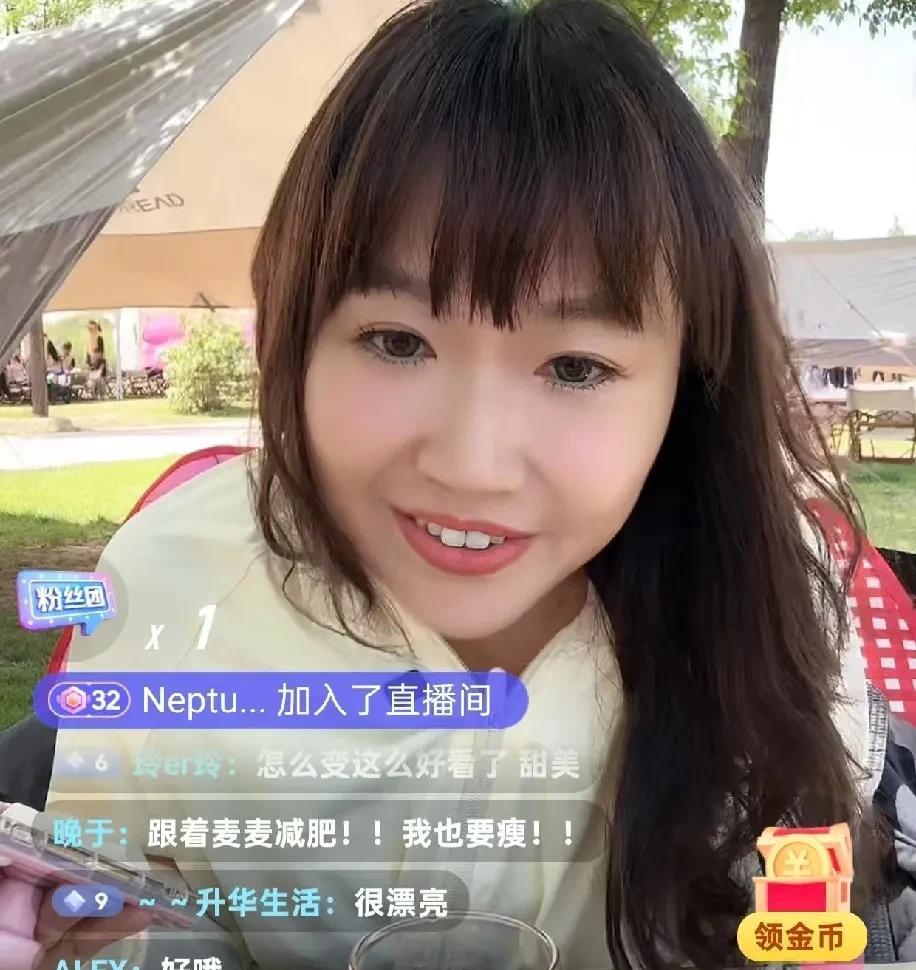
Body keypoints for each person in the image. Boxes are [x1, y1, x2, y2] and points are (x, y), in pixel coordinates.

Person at [36, 2, 883, 969]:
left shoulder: (775, 607)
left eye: (575, 367)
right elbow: (114, 925)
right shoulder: (174, 586)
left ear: (687, 385)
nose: (472, 466)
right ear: (296, 336)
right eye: (397, 342)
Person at [84, 319, 108, 397]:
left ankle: (102, 394)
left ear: (95, 327)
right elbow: (88, 351)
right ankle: (94, 394)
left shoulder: (99, 337)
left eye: (90, 327)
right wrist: (88, 362)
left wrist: (95, 358)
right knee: (92, 379)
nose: (89, 329)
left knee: (100, 379)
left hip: (99, 363)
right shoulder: (89, 338)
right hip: (92, 363)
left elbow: (101, 352)